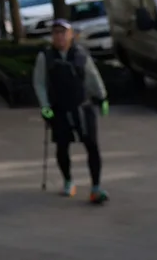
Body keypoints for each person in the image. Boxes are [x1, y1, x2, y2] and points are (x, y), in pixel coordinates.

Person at [33, 19, 110, 204]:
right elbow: (39, 83)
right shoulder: (46, 56)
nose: (59, 36)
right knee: (62, 146)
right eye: (56, 33)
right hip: (58, 109)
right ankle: (68, 180)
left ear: (71, 35)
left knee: (91, 145)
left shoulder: (81, 54)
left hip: (82, 106)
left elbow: (92, 76)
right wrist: (45, 106)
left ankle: (96, 187)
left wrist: (102, 97)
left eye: (63, 32)